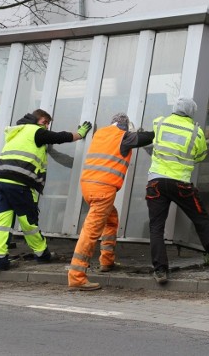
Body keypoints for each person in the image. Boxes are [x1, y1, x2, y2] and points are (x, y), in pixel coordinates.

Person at [0, 109, 92, 273]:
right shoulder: (35, 131)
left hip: (2, 181)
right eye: (45, 122)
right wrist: (79, 135)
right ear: (38, 120)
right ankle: (42, 254)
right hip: (19, 183)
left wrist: (76, 165)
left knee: (2, 222)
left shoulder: (18, 132)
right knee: (28, 221)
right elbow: (59, 137)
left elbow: (55, 154)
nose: (47, 126)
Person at [146, 97, 209, 284]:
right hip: (181, 184)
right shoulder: (196, 132)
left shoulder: (159, 122)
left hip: (156, 183)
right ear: (191, 112)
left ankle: (161, 271)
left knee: (156, 227)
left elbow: (150, 142)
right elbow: (200, 156)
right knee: (201, 219)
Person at [67, 113, 155, 291]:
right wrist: (159, 130)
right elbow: (146, 138)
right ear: (125, 126)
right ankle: (77, 276)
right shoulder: (123, 136)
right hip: (103, 190)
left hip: (88, 186)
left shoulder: (100, 134)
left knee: (111, 218)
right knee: (90, 232)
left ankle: (107, 261)